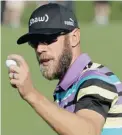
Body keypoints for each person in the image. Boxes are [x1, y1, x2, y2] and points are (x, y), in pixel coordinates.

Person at [7, 3, 122, 135]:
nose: (39, 49)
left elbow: (88, 132)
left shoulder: (95, 80)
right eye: (34, 42)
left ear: (74, 38)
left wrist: (31, 94)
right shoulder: (67, 89)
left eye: (48, 39)